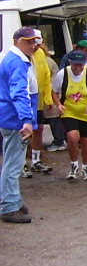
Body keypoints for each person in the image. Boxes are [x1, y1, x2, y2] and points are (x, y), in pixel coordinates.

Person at [0, 28, 39, 223]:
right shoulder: (17, 62)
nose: (32, 46)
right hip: (16, 120)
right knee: (13, 165)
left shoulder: (14, 59)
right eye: (27, 42)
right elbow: (19, 93)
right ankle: (8, 206)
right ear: (16, 42)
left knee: (13, 162)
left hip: (11, 117)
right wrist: (26, 120)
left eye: (34, 42)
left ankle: (14, 200)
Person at [51, 50, 87, 181]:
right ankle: (74, 164)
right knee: (73, 137)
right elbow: (54, 92)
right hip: (69, 111)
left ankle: (86, 167)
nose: (78, 68)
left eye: (81, 65)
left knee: (86, 141)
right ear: (70, 63)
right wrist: (58, 105)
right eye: (75, 65)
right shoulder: (63, 74)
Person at [26, 30, 54, 175]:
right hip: (25, 100)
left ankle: (36, 160)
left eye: (37, 43)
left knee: (39, 128)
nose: (35, 46)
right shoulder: (23, 56)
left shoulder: (41, 54)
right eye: (33, 43)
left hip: (38, 100)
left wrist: (48, 99)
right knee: (24, 131)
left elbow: (46, 77)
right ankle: (22, 163)